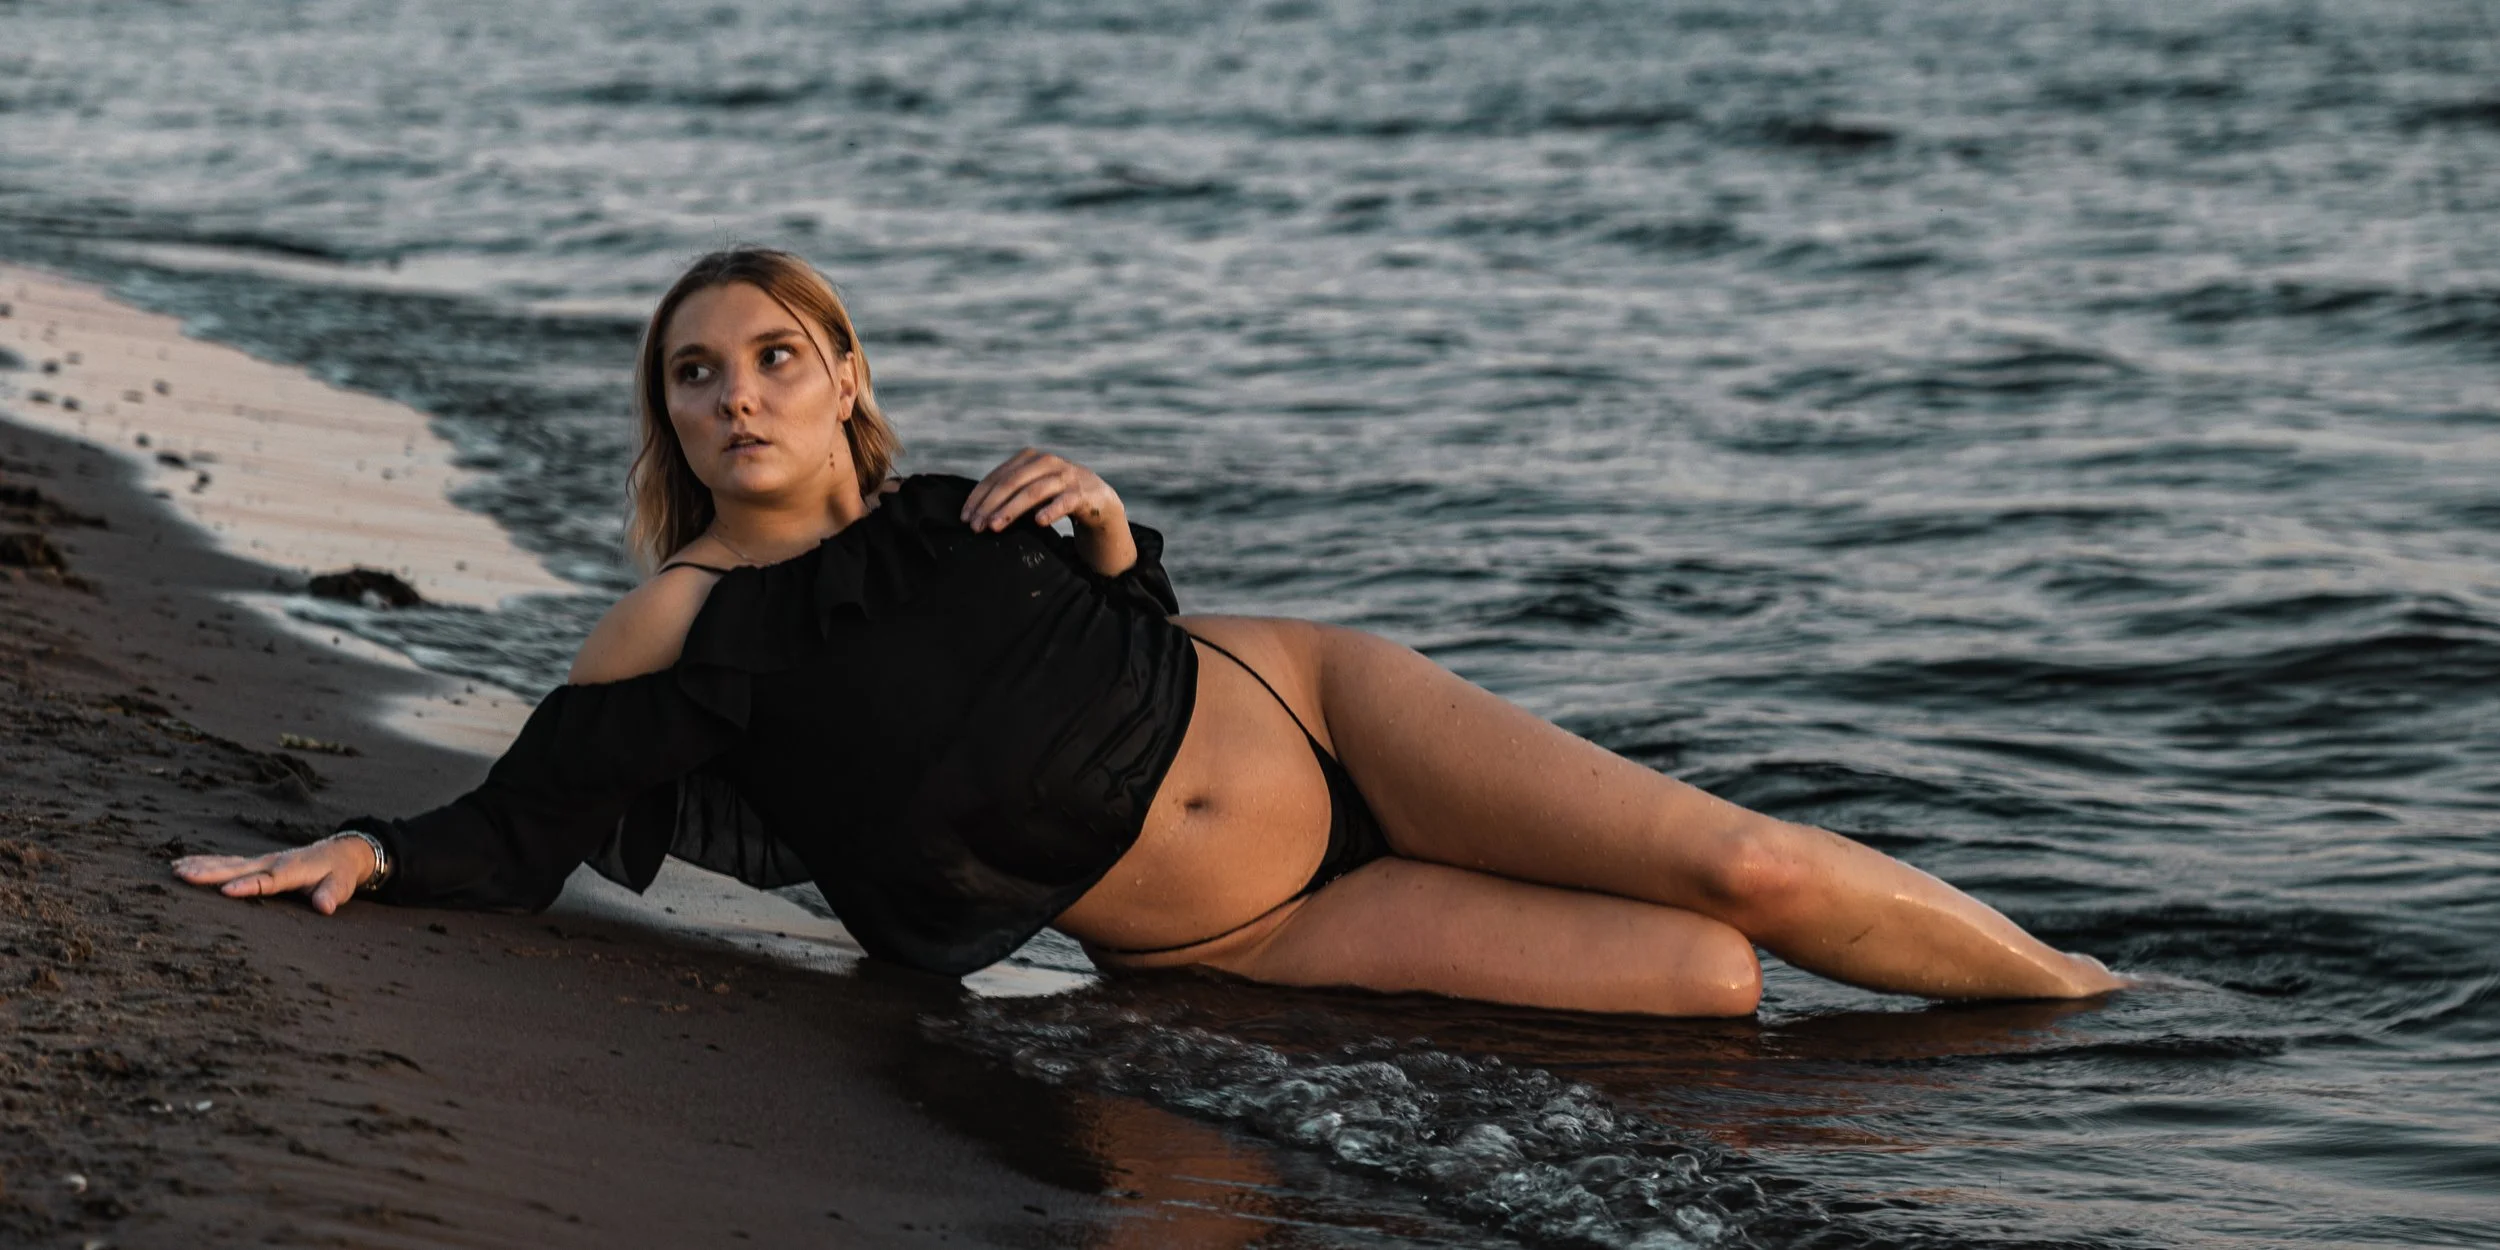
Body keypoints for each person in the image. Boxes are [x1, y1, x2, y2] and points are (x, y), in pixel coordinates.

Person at [173, 248, 2125, 1017]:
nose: (736, 395)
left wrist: (1105, 527)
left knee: (1750, 865)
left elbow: (1107, 631)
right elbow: (521, 821)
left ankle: (2086, 1005)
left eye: (777, 356)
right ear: (665, 416)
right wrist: (366, 852)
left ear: (847, 379)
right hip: (1243, 923)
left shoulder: (956, 508)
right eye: (695, 375)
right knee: (1706, 983)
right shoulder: (678, 628)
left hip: (1318, 706)